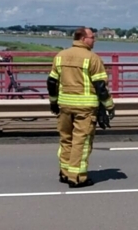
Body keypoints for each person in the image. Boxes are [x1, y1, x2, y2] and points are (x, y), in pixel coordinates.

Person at [46, 27, 115, 188]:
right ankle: (77, 177)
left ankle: (64, 172)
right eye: (92, 37)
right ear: (83, 38)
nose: (94, 40)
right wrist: (109, 106)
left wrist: (53, 102)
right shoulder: (92, 58)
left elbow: (51, 82)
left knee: (66, 139)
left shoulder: (60, 55)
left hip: (64, 105)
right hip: (85, 108)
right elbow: (100, 86)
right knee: (81, 143)